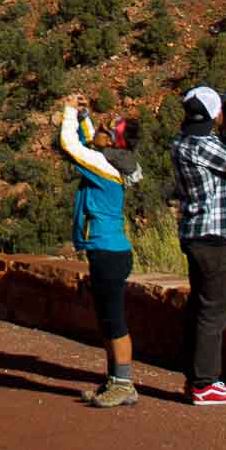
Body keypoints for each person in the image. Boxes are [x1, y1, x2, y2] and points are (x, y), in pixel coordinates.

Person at [169, 85, 226, 406]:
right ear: (215, 114)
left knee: (201, 307)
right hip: (215, 236)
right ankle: (204, 384)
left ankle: (198, 378)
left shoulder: (183, 142)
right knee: (215, 310)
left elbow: (225, 156)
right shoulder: (203, 145)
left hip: (196, 234)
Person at [58, 93, 143, 409]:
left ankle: (124, 383)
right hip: (108, 252)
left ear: (114, 143)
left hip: (108, 253)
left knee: (114, 319)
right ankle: (115, 381)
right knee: (108, 319)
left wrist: (67, 112)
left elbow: (71, 146)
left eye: (106, 128)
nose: (101, 129)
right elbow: (89, 142)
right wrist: (83, 117)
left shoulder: (104, 165)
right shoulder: (110, 161)